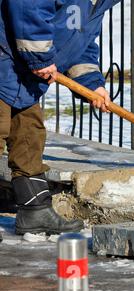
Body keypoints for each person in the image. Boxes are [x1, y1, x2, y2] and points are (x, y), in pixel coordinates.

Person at [0, 0, 121, 235]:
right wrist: (40, 56)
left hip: (23, 73)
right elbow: (26, 6)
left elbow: (80, 44)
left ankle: (35, 211)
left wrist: (92, 84)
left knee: (29, 137)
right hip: (7, 56)